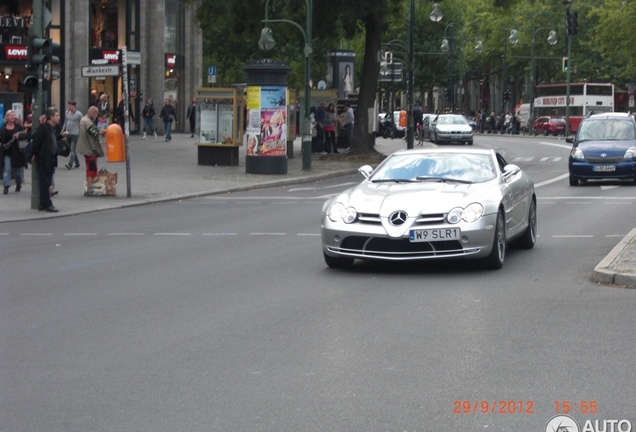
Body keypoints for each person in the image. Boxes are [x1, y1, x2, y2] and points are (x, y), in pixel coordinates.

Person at [31, 107, 63, 212]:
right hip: (44, 159)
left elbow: (53, 140)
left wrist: (61, 136)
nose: (59, 117)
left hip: (50, 159)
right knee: (45, 183)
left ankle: (42, 203)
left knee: (46, 182)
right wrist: (34, 154)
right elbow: (36, 142)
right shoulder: (44, 128)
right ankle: (47, 204)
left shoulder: (52, 129)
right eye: (57, 115)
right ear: (51, 117)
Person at [77, 106, 107, 195]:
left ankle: (88, 186)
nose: (97, 116)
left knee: (89, 168)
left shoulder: (84, 120)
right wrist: (106, 130)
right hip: (89, 149)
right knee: (91, 169)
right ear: (92, 112)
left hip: (86, 148)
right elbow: (95, 132)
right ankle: (90, 187)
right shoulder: (88, 122)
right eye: (96, 113)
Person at [1, 110, 28, 195]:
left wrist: (18, 136)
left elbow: (24, 135)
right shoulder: (3, 127)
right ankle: (6, 186)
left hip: (17, 152)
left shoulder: (18, 127)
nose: (13, 117)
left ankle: (18, 183)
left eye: (13, 115)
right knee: (7, 169)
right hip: (6, 152)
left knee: (18, 170)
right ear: (7, 117)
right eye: (11, 115)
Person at [63, 100, 83, 170]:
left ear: (74, 106)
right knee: (72, 150)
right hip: (68, 133)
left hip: (75, 134)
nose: (69, 107)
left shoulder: (78, 114)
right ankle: (77, 163)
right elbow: (65, 122)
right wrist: (63, 131)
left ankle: (70, 164)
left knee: (72, 149)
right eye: (68, 106)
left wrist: (81, 132)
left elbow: (82, 123)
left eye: (70, 106)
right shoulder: (67, 113)